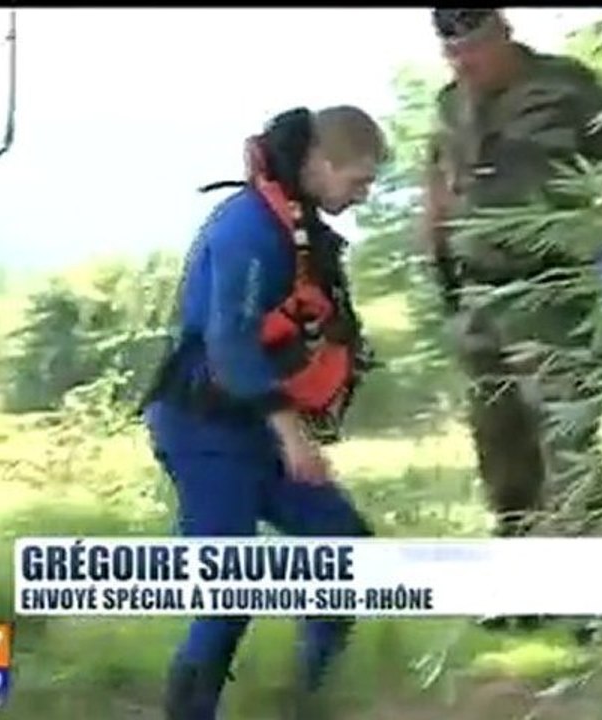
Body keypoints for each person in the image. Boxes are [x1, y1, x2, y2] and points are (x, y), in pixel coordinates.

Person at [141, 105, 388, 720]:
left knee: (343, 548)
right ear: (322, 163)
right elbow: (230, 347)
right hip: (203, 429)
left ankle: (304, 699)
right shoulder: (247, 229)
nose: (363, 195)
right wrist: (293, 436)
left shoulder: (303, 228)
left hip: (257, 428)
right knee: (229, 588)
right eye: (358, 181)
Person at [421, 8, 602, 631]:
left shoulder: (567, 86)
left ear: (502, 34)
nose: (463, 66)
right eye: (452, 55)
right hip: (476, 295)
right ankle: (522, 592)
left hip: (549, 296)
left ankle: (601, 600)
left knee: (569, 445)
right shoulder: (451, 101)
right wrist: (433, 237)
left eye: (473, 52)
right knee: (500, 448)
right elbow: (439, 170)